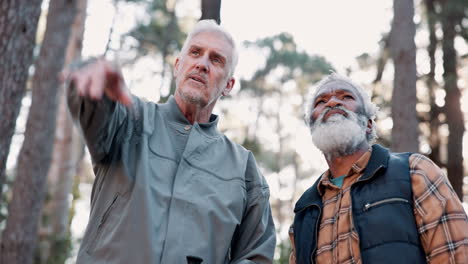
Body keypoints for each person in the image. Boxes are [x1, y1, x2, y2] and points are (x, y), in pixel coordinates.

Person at [65, 20, 276, 264]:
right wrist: (93, 80)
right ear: (178, 66)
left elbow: (256, 256)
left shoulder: (244, 169)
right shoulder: (130, 119)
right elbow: (94, 108)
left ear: (228, 85)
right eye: (195, 52)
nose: (202, 64)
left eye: (216, 59)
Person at [289, 73, 468, 264]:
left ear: (368, 124)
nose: (332, 102)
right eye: (321, 101)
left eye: (346, 97)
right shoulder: (304, 210)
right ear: (313, 129)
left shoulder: (415, 171)